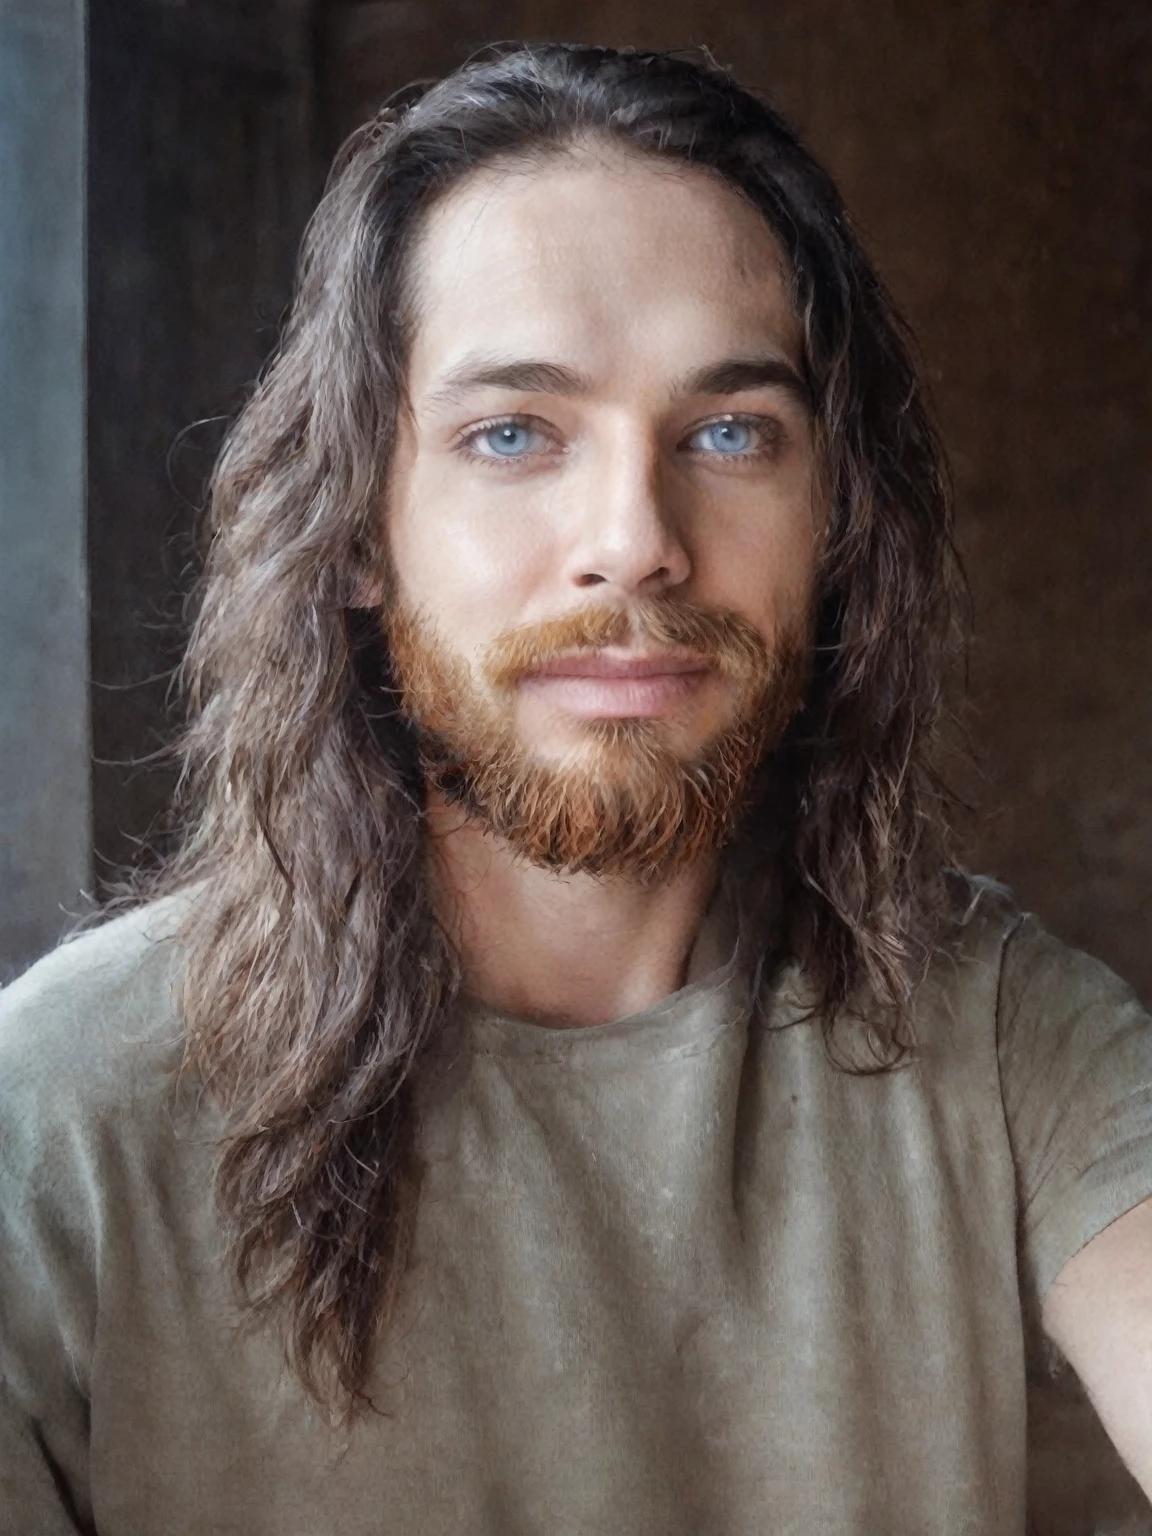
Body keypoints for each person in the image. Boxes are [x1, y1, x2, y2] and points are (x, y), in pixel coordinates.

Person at [1, 40, 1150, 1536]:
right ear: (358, 530)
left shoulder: (1003, 1040)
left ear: (837, 522)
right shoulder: (55, 1129)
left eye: (730, 432)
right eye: (512, 435)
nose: (635, 538)